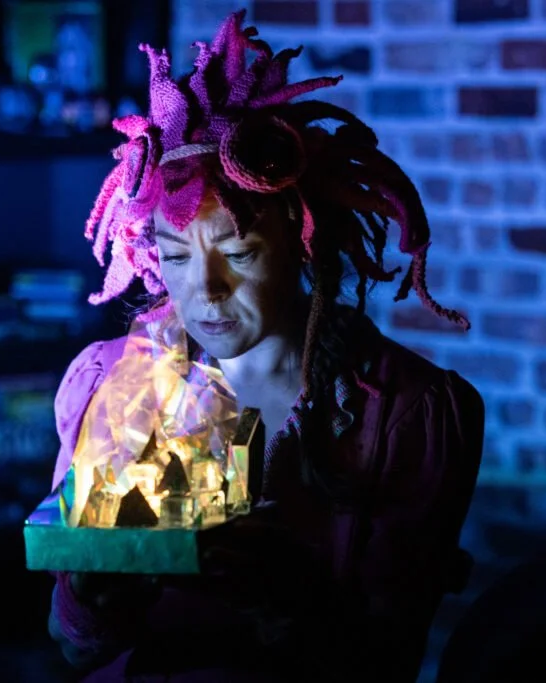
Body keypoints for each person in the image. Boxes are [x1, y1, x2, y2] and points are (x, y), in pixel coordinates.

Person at [46, 11, 485, 682]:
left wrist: (291, 600)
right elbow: (72, 648)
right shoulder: (109, 387)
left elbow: (389, 656)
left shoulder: (405, 415)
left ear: (299, 242)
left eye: (239, 252)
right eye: (177, 258)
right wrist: (95, 597)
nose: (206, 291)